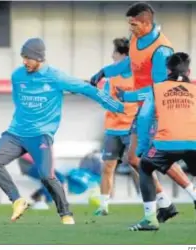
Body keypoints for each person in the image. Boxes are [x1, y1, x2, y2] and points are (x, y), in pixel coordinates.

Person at [0, 37, 124, 225]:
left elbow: (86, 89)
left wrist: (115, 105)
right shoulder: (17, 76)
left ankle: (65, 214)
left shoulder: (56, 77)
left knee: (47, 176)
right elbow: (19, 103)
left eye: (28, 58)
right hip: (16, 133)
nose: (24, 61)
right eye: (22, 57)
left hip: (41, 135)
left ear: (39, 58)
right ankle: (17, 200)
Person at [90, 1, 184, 223]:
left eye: (133, 25)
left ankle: (156, 213)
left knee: (148, 160)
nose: (130, 29)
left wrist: (130, 97)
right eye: (129, 25)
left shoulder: (162, 50)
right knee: (136, 160)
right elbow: (128, 68)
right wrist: (103, 71)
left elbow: (158, 89)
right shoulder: (135, 44)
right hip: (136, 117)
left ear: (145, 23)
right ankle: (164, 206)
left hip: (158, 111)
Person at [129, 52, 196, 231]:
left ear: (167, 71)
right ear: (189, 71)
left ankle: (150, 218)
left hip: (166, 144)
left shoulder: (156, 88)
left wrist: (142, 147)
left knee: (144, 166)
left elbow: (144, 118)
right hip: (194, 143)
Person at [93, 37, 139, 216]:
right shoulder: (110, 77)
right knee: (107, 167)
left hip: (132, 129)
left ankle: (152, 202)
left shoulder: (138, 77)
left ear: (124, 56)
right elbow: (104, 100)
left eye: (114, 53)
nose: (112, 56)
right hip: (113, 129)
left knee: (140, 166)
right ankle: (103, 206)